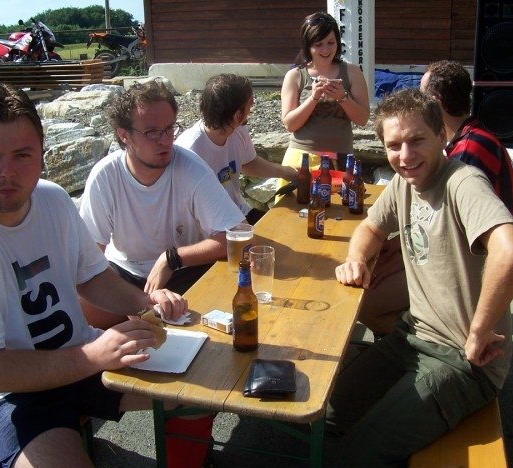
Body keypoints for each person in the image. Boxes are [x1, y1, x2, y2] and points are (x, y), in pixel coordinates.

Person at [0, 84, 190, 468]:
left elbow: (92, 276)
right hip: (4, 396)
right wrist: (95, 355)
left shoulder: (53, 199)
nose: (7, 173)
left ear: (42, 153)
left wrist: (146, 304)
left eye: (22, 155)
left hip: (77, 354)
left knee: (195, 390)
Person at [328, 88, 513, 468]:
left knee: (358, 457)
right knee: (328, 413)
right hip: (411, 337)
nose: (405, 155)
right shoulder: (404, 183)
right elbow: (370, 227)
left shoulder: (462, 182)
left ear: (441, 136)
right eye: (394, 145)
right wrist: (356, 259)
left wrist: (479, 331)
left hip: (462, 362)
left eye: (417, 140)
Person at [360, 60, 513, 337]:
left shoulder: (467, 154)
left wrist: (390, 253)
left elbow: (443, 227)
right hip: (449, 248)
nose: (406, 155)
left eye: (421, 94)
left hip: (466, 265)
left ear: (433, 103)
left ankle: (411, 344)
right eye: (394, 146)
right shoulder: (468, 136)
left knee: (369, 298)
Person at [79, 80, 245, 328]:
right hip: (124, 275)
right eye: (152, 132)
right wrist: (134, 301)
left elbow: (239, 237)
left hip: (183, 272)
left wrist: (172, 258)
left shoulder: (191, 169)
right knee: (77, 309)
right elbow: (88, 258)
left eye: (169, 129)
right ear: (124, 135)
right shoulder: (106, 176)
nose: (165, 140)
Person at [176, 73, 298, 225]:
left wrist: (288, 172)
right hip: (210, 227)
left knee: (287, 225)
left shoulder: (238, 130)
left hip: (239, 213)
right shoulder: (189, 151)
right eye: (250, 104)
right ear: (238, 116)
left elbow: (248, 163)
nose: (252, 108)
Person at [279, 10, 370, 182]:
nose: (326, 49)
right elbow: (290, 124)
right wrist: (313, 98)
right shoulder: (295, 75)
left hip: (341, 158)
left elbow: (363, 119)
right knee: (296, 200)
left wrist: (342, 97)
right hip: (302, 157)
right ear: (308, 45)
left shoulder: (352, 72)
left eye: (331, 43)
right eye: (319, 44)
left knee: (343, 200)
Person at [421, 59, 513, 218]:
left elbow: (451, 213)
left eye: (422, 96)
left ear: (436, 102)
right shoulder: (474, 135)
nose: (420, 104)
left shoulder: (469, 148)